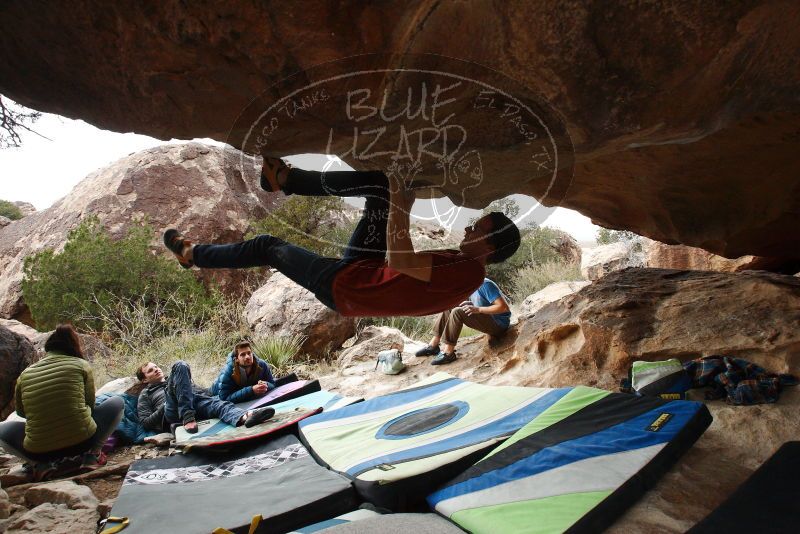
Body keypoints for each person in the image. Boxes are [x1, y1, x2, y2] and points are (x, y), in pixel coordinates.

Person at [162, 158, 521, 318]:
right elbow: (401, 270)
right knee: (379, 186)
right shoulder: (465, 267)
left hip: (347, 288)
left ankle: (194, 255)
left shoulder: (468, 273)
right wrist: (394, 196)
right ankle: (286, 180)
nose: (470, 228)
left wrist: (403, 202)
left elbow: (401, 260)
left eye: (479, 228)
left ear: (490, 245)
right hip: (364, 270)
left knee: (267, 246)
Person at [0, 324, 124, 477]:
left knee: (2, 430)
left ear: (49, 349)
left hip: (40, 451)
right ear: (72, 346)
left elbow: (21, 412)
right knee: (117, 402)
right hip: (83, 442)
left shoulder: (25, 375)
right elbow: (90, 405)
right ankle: (93, 455)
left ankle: (41, 465)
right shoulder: (81, 365)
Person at [136, 361, 274, 434]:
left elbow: (207, 393)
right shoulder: (146, 394)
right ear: (144, 380)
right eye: (150, 370)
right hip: (173, 411)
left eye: (156, 366)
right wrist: (164, 406)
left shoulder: (180, 379)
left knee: (217, 403)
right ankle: (187, 415)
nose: (156, 369)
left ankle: (246, 416)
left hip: (195, 403)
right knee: (180, 365)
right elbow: (146, 422)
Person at [415, 277, 512, 365]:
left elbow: (503, 307)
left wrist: (478, 309)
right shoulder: (472, 285)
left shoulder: (485, 285)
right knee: (451, 306)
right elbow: (482, 302)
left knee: (457, 312)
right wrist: (471, 304)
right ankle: (433, 346)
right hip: (487, 319)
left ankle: (448, 352)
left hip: (499, 324)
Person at [210, 341, 276, 403]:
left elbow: (272, 383)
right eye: (243, 355)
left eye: (249, 353)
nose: (247, 357)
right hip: (214, 393)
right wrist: (251, 390)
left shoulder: (262, 365)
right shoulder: (228, 372)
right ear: (237, 359)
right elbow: (224, 398)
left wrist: (265, 385)